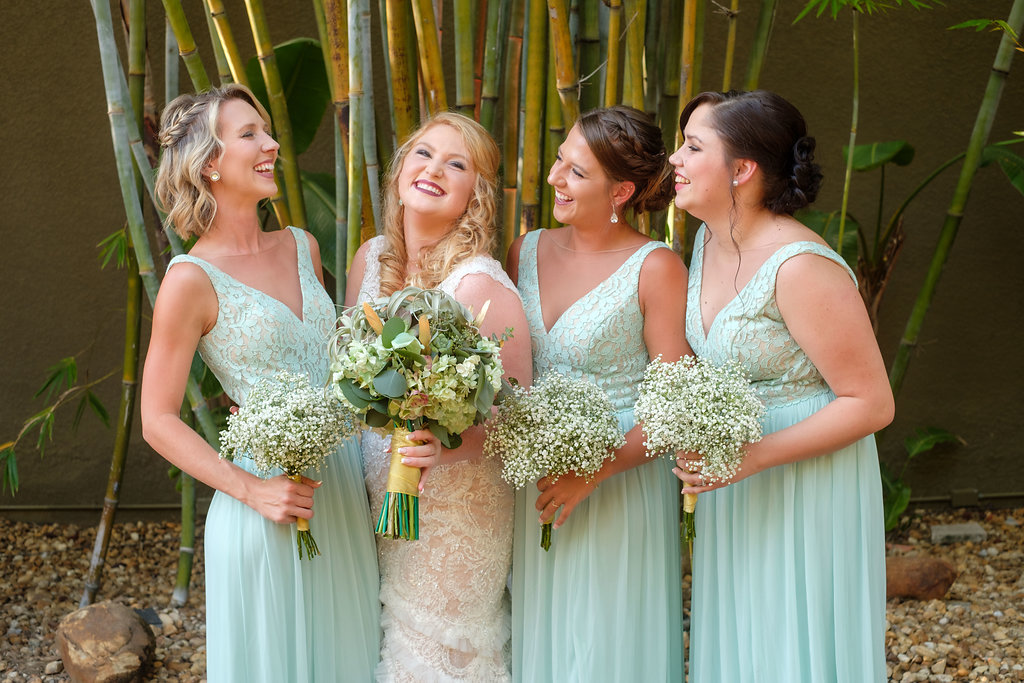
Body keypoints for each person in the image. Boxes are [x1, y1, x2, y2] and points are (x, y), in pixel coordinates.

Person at [140, 84, 380, 681]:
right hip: (268, 501)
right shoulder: (189, 280)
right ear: (209, 164)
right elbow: (157, 419)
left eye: (267, 130)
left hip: (342, 485)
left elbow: (341, 362)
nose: (272, 144)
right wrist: (252, 490)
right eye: (250, 134)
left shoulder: (302, 245)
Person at [669, 89, 893, 682]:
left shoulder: (799, 265)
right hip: (736, 474)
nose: (675, 159)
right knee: (745, 637)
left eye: (693, 147)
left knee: (794, 640)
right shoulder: (708, 241)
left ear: (742, 170)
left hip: (806, 480)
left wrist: (751, 457)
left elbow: (872, 403)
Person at [345, 112, 532, 682]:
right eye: (423, 153)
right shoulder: (370, 260)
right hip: (374, 499)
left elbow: (519, 417)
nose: (434, 169)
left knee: (440, 658)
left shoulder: (480, 285)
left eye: (457, 164)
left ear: (475, 195)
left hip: (456, 511)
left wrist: (446, 448)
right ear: (401, 167)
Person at [505, 105, 689, 682]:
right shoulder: (523, 250)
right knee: (543, 639)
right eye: (560, 160)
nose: (556, 178)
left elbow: (675, 404)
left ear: (622, 190)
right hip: (535, 483)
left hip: (619, 484)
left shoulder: (655, 266)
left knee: (607, 644)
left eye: (576, 172)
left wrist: (597, 470)